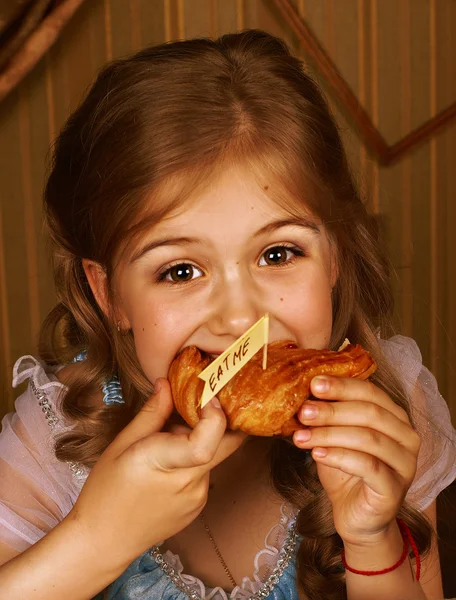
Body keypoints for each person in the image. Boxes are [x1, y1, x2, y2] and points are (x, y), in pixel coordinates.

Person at [0, 30, 455, 600]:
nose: (241, 318)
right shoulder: (57, 436)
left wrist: (371, 541)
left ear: (334, 259)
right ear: (108, 293)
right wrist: (96, 541)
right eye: (181, 271)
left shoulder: (389, 414)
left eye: (278, 254)